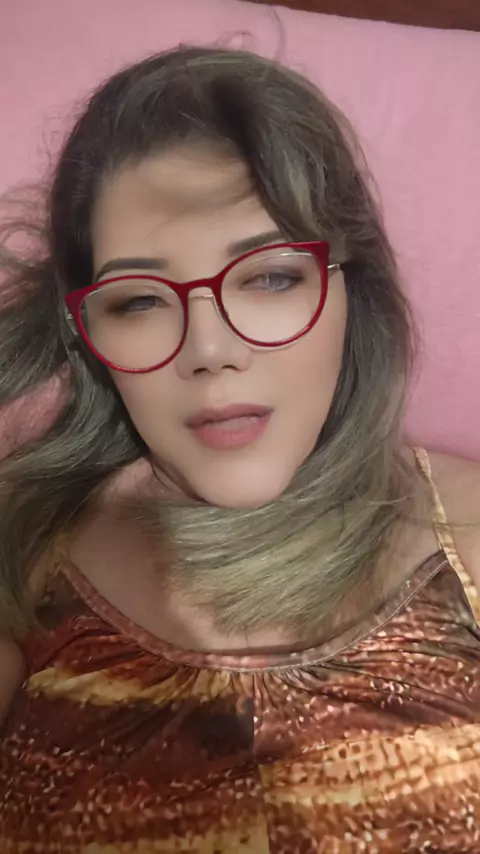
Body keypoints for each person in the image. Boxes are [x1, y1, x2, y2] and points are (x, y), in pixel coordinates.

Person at [1, 44, 480, 853]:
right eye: (140, 300)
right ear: (89, 333)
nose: (210, 350)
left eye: (268, 277)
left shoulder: (467, 528)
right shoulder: (22, 542)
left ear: (350, 286)